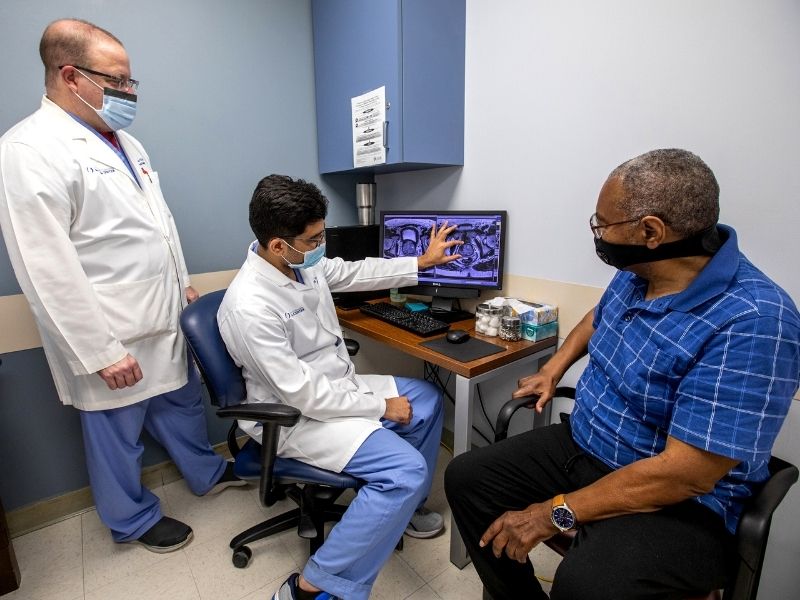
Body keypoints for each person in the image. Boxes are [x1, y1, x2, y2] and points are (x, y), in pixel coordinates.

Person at [445, 149, 800, 600]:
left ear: (650, 231)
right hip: (587, 445)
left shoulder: (755, 320)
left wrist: (550, 513)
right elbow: (599, 317)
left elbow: (684, 475)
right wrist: (553, 368)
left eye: (601, 224)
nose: (597, 234)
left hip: (681, 501)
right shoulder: (639, 273)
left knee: (586, 584)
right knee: (467, 477)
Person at [0, 19, 244, 553]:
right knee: (117, 433)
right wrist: (98, 351)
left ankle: (205, 473)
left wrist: (183, 286)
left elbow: (157, 225)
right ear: (71, 75)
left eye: (131, 82)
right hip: (109, 332)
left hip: (163, 315)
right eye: (119, 81)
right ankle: (130, 518)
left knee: (181, 405)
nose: (129, 92)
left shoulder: (125, 142)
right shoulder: (28, 148)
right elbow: (45, 266)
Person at [218, 174, 462, 600]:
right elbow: (302, 394)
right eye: (314, 240)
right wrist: (379, 407)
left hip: (331, 385)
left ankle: (402, 510)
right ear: (278, 245)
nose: (321, 247)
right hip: (294, 414)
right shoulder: (249, 306)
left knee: (425, 397)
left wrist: (421, 262)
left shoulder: (297, 265)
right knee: (404, 470)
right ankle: (312, 586)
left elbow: (353, 272)